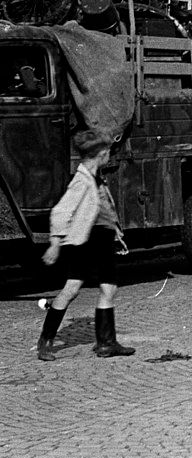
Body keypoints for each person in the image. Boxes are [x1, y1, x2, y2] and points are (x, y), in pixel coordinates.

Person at [35, 132, 135, 361]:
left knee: (108, 289)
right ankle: (45, 341)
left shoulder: (95, 177)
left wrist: (116, 232)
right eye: (108, 152)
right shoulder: (82, 180)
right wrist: (54, 243)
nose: (109, 156)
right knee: (71, 290)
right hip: (87, 242)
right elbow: (60, 211)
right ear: (101, 154)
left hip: (101, 240)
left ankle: (106, 343)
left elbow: (104, 210)